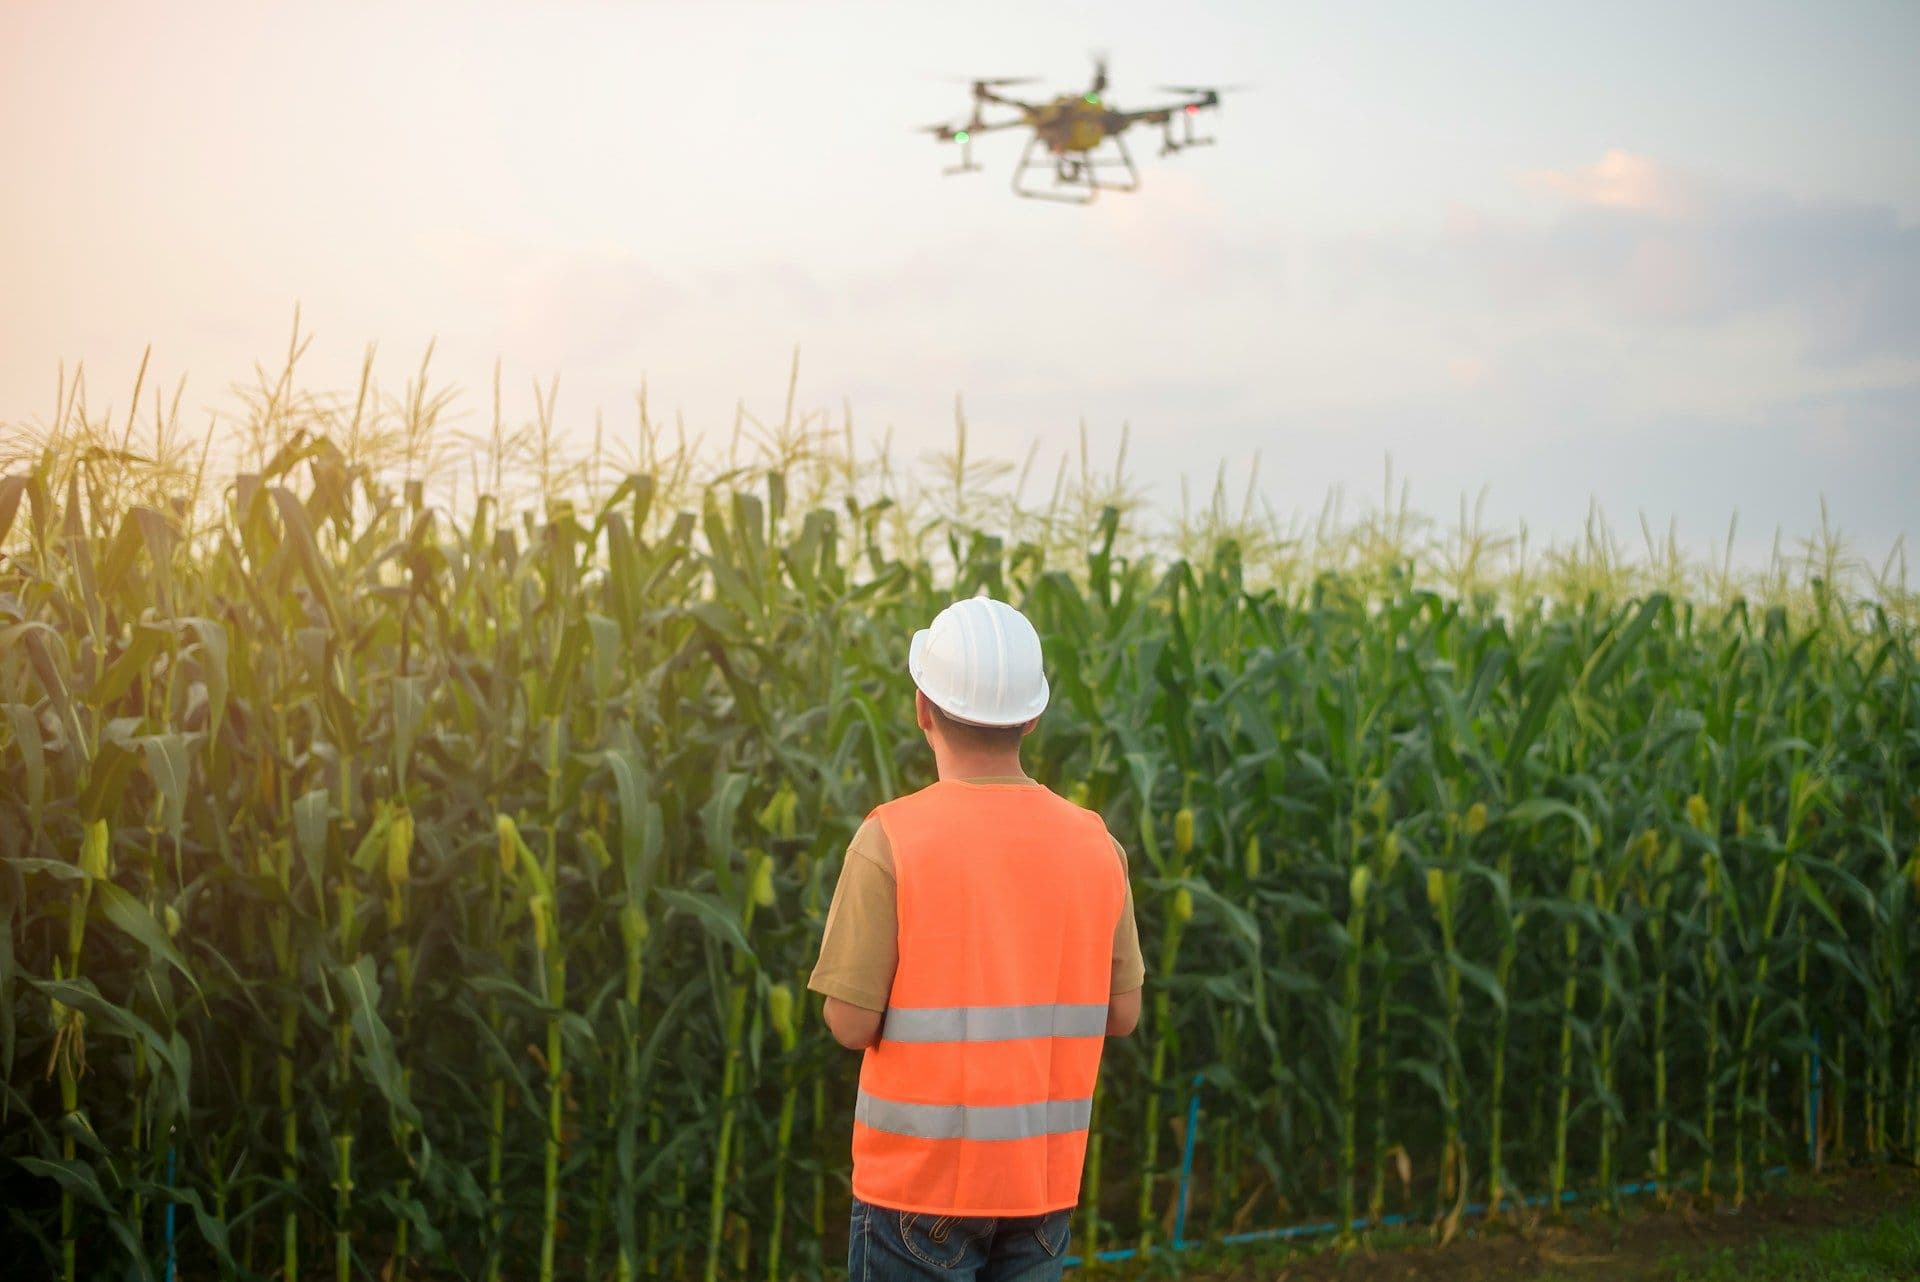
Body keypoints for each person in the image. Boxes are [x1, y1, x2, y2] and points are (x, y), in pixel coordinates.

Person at [807, 595, 1146, 1281]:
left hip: (915, 1193)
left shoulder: (891, 838)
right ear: (1033, 716)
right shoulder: (1094, 842)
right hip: (1041, 1188)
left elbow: (848, 1023)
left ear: (921, 708)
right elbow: (1124, 1014)